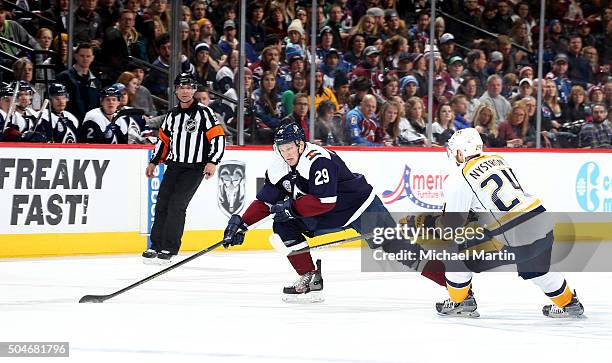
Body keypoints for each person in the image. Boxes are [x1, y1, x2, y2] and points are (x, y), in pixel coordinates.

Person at [221, 122, 445, 302]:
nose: (286, 152)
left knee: (399, 249)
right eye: (282, 148)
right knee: (283, 225)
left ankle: (454, 284)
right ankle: (309, 277)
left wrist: (290, 207)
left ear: (301, 144)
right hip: (327, 214)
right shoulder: (279, 166)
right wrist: (241, 223)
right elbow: (265, 200)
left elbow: (324, 201)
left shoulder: (318, 161)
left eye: (290, 147)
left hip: (361, 208)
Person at [427, 128, 584, 318]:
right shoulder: (497, 159)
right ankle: (568, 303)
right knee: (537, 270)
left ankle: (460, 301)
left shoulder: (460, 177)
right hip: (540, 218)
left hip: (514, 230)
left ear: (460, 151)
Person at [143, 73, 226, 264]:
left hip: (194, 168)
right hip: (174, 166)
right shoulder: (172, 115)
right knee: (162, 204)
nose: (185, 91)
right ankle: (155, 245)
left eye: (189, 87)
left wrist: (213, 161)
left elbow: (218, 137)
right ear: (176, 90)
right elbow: (164, 142)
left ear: (194, 89)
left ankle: (169, 248)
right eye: (181, 87)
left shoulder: (204, 113)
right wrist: (154, 161)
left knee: (177, 206)